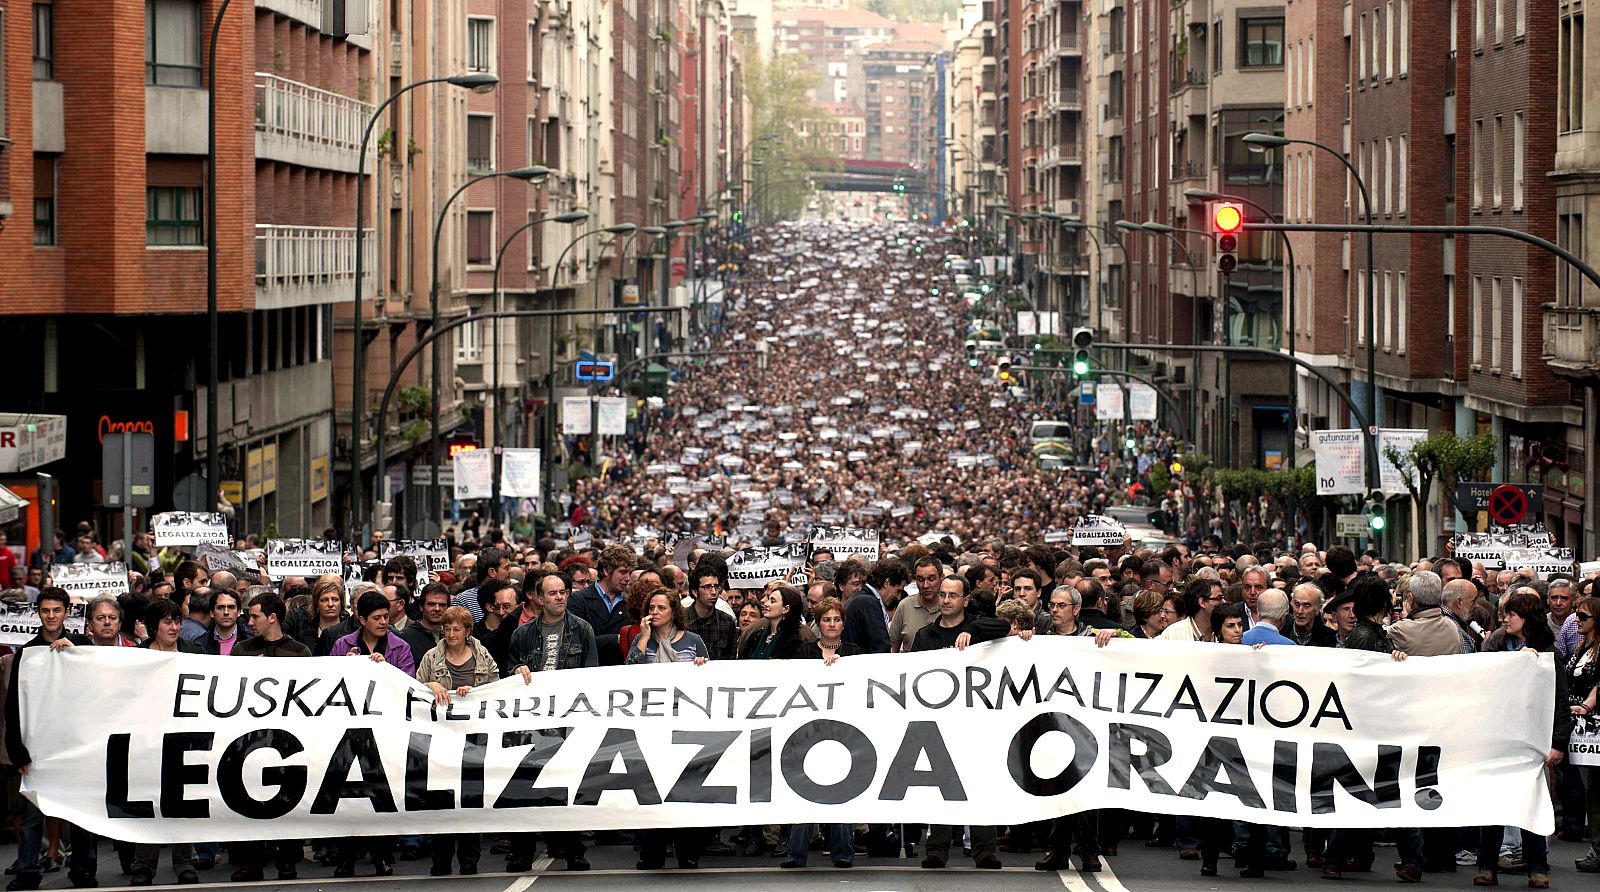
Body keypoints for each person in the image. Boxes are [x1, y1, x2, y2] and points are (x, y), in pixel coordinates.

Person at [914, 574, 1009, 870]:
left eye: (952, 595)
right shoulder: (926, 635)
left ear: (965, 600)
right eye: (942, 595)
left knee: (979, 784)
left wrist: (972, 628)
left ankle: (985, 850)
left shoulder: (980, 629)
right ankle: (937, 849)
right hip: (939, 722)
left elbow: (1005, 626)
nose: (945, 600)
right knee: (940, 787)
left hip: (976, 722)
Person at [503, 570, 596, 873]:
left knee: (566, 786)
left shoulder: (582, 630)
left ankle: (572, 849)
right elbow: (508, 677)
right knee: (525, 786)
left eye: (563, 592)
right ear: (539, 599)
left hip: (568, 721)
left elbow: (592, 675)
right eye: (552, 593)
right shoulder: (522, 634)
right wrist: (517, 671)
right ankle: (522, 851)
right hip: (531, 724)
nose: (559, 597)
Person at [4, 589, 96, 891]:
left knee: (81, 814)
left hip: (75, 746)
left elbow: (98, 687)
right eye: (46, 610)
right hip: (38, 748)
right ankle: (28, 872)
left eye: (57, 610)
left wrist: (77, 653)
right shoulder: (27, 654)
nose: (52, 616)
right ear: (38, 612)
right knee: (32, 815)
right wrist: (17, 751)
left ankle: (83, 871)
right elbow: (13, 706)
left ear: (66, 612)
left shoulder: (82, 646)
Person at [1475, 589, 1564, 888]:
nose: (1506, 618)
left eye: (1512, 614)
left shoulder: (1549, 654)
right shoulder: (1496, 645)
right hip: (1498, 736)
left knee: (1530, 803)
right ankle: (1487, 866)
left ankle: (1538, 867)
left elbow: (1559, 700)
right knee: (1493, 804)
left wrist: (1558, 743)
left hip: (1531, 739)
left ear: (1527, 618)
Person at [327, 591, 412, 876]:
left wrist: (385, 669)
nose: (383, 622)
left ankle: (382, 854)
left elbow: (408, 687)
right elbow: (328, 685)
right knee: (349, 798)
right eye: (376, 618)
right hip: (348, 733)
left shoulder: (399, 647)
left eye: (386, 617)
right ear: (361, 619)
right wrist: (347, 665)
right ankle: (347, 856)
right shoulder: (342, 645)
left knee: (380, 795)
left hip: (384, 732)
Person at [414, 607, 502, 877]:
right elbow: (414, 687)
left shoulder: (483, 655)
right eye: (447, 629)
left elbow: (497, 687)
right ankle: (440, 860)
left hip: (475, 739)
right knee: (442, 799)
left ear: (467, 632)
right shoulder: (432, 657)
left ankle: (468, 860)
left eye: (457, 629)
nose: (451, 634)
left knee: (470, 798)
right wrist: (432, 686)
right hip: (441, 738)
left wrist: (474, 693)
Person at [228, 591, 310, 881]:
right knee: (247, 801)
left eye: (254, 616)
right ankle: (250, 861)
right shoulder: (242, 650)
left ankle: (287, 861)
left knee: (287, 800)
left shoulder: (299, 652)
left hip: (286, 741)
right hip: (249, 740)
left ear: (272, 617)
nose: (249, 621)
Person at [626, 587, 707, 870]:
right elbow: (628, 676)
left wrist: (701, 666)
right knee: (652, 790)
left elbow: (709, 680)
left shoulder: (693, 641)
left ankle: (688, 852)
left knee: (685, 790)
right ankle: (652, 853)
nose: (655, 612)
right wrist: (645, 639)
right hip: (652, 727)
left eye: (661, 608)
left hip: (684, 726)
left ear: (674, 611)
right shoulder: (641, 640)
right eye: (652, 608)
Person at [782, 596, 858, 870]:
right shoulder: (803, 652)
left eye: (836, 619)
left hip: (844, 732)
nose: (832, 624)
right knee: (804, 791)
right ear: (819, 622)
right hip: (808, 731)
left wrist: (846, 668)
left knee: (842, 791)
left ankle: (843, 853)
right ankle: (795, 853)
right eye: (826, 619)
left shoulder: (854, 653)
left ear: (843, 623)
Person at [569, 544, 634, 666]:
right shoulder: (578, 600)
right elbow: (576, 642)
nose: (628, 578)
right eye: (623, 572)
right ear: (606, 571)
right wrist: (618, 639)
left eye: (630, 573)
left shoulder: (631, 603)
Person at [684, 564, 739, 660]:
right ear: (695, 592)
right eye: (708, 587)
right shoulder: (680, 620)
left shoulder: (727, 622)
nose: (713, 592)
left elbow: (731, 660)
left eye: (716, 587)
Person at [888, 555, 943, 652]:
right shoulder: (905, 606)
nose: (925, 585)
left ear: (941, 578)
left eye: (931, 579)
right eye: (920, 580)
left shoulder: (950, 606)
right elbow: (893, 647)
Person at [737, 585, 806, 659]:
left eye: (772, 601)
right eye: (768, 600)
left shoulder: (793, 641)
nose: (766, 604)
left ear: (786, 609)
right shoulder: (756, 636)